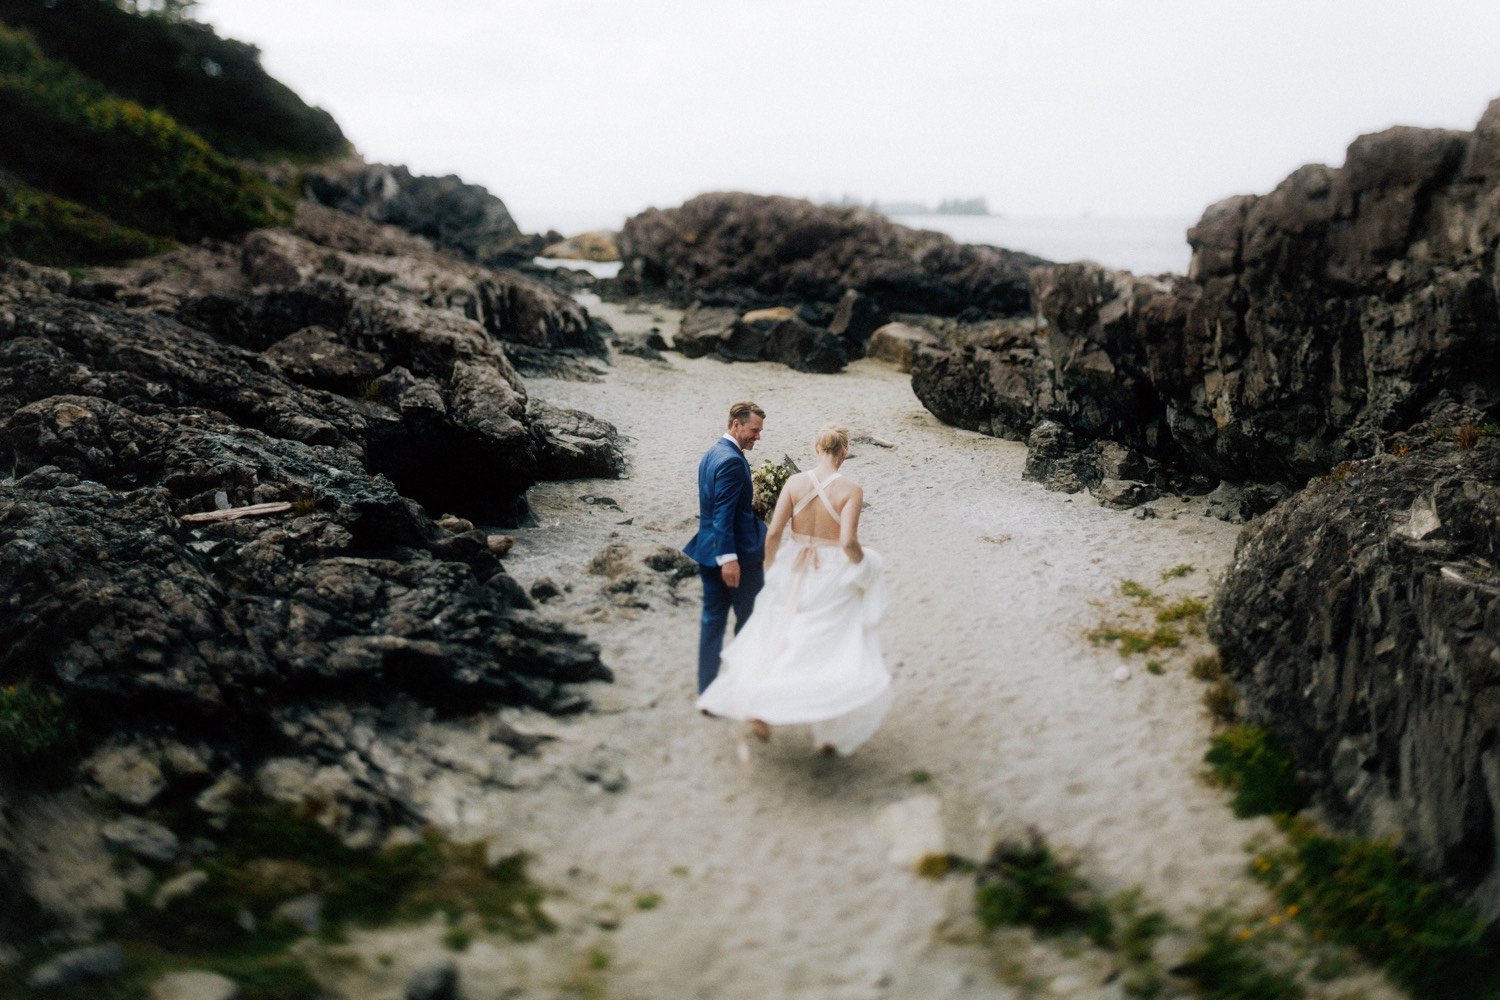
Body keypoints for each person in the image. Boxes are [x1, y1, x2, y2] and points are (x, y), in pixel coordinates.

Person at [697, 424, 891, 757]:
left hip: (793, 566)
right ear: (844, 450)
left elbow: (773, 535)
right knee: (829, 646)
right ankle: (828, 733)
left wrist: (773, 570)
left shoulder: (794, 483)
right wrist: (863, 565)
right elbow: (847, 542)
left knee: (778, 637)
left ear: (816, 447)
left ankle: (758, 706)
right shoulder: (851, 490)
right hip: (831, 573)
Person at [683, 401, 768, 695]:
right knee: (751, 623)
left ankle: (707, 691)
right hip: (737, 557)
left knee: (712, 622)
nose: (757, 436)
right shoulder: (732, 461)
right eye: (754, 430)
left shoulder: (712, 453)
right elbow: (723, 513)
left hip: (707, 550)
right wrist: (730, 559)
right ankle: (742, 688)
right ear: (736, 425)